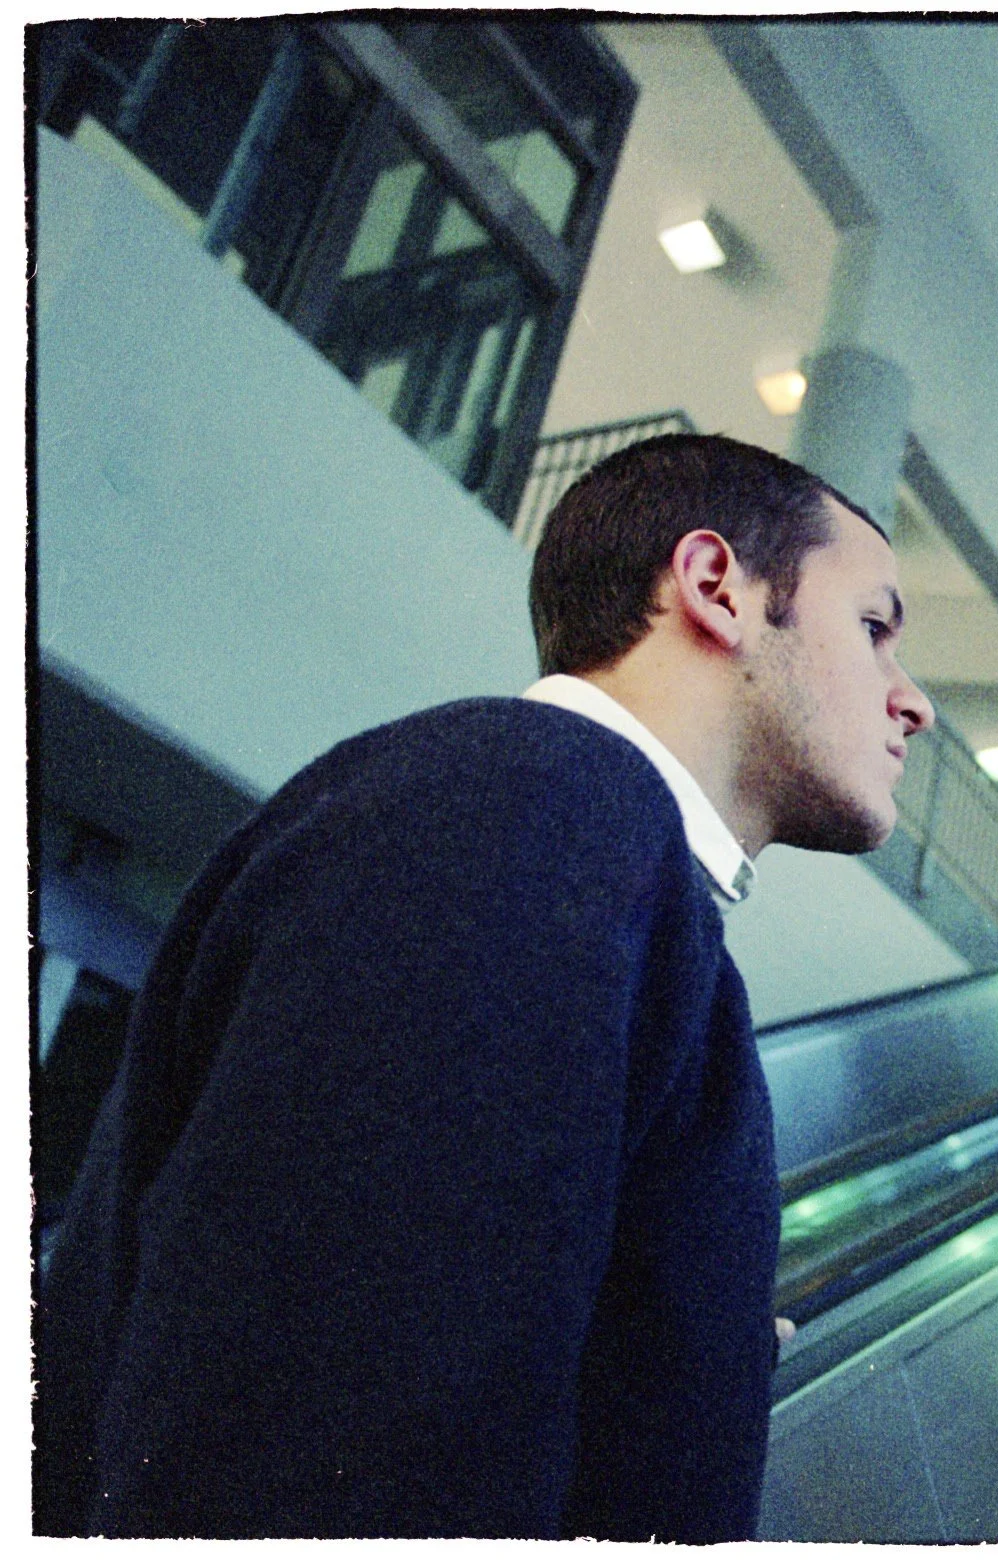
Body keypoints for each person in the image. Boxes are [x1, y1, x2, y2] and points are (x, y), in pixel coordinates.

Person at [32, 434, 933, 1539]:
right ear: (716, 589)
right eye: (875, 628)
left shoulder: (600, 862)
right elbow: (333, 1448)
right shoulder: (534, 810)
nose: (912, 702)